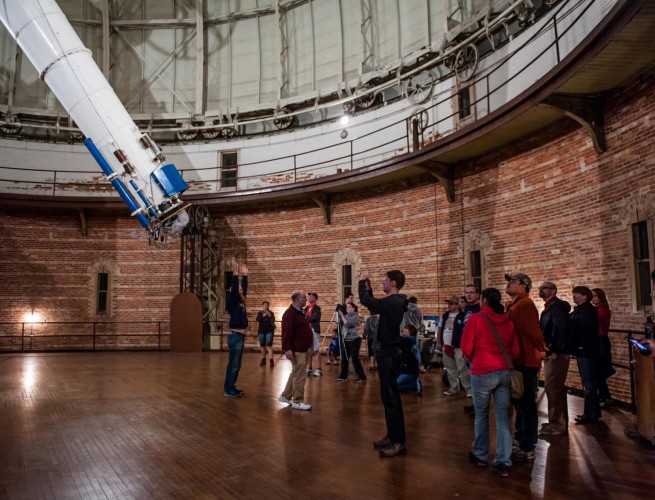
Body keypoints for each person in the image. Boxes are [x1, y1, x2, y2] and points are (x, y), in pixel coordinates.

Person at [461, 288, 520, 478]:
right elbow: (516, 350)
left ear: (483, 300)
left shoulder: (476, 319)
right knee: (503, 417)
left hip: (482, 371)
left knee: (481, 415)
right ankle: (503, 460)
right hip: (503, 372)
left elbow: (466, 346)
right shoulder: (508, 320)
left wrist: (475, 360)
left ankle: (480, 454)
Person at [359, 269, 408, 458]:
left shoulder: (395, 301)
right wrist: (369, 287)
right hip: (386, 352)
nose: (383, 282)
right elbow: (374, 307)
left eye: (386, 280)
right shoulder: (393, 302)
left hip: (389, 353)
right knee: (388, 398)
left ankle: (398, 442)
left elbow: (367, 302)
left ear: (393, 283)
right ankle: (392, 436)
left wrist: (363, 282)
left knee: (392, 399)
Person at [505, 273, 547, 462]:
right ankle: (521, 437)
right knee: (520, 402)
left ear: (524, 286)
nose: (509, 284)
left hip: (526, 360)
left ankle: (527, 444)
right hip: (519, 359)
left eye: (513, 282)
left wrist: (541, 348)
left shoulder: (525, 305)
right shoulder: (515, 305)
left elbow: (533, 332)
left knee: (527, 403)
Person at [538, 281, 572, 437]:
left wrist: (555, 350)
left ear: (553, 291)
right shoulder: (550, 307)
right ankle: (555, 421)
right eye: (540, 288)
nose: (540, 290)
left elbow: (560, 329)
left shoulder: (556, 308)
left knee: (554, 387)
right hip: (553, 352)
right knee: (552, 387)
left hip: (556, 354)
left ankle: (558, 424)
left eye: (544, 288)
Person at [278, 291, 313, 411]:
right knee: (300, 375)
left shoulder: (299, 312)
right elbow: (286, 333)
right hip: (297, 349)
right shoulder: (290, 314)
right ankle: (298, 401)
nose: (306, 299)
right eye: (304, 297)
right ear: (297, 299)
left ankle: (285, 396)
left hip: (301, 348)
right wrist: (287, 349)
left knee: (296, 373)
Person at [570, 286, 601, 425]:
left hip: (586, 350)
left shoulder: (588, 310)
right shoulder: (582, 310)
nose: (574, 296)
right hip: (583, 349)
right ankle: (591, 413)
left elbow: (583, 328)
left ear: (585, 296)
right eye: (574, 294)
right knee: (587, 382)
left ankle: (591, 414)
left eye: (577, 294)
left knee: (588, 382)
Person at [224, 259, 249, 398]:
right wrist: (234, 275)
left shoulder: (240, 301)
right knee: (233, 365)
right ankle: (228, 389)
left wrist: (244, 276)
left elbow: (243, 290)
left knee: (236, 365)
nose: (241, 288)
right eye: (238, 287)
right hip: (235, 337)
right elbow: (235, 291)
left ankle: (231, 387)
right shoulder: (233, 301)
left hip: (240, 337)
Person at [436, 295, 470, 397]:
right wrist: (439, 342)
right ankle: (454, 388)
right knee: (450, 369)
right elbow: (440, 328)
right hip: (446, 346)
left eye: (451, 304)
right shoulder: (445, 316)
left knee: (462, 369)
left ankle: (468, 389)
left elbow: (466, 331)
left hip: (458, 347)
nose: (449, 306)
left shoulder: (462, 316)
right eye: (448, 303)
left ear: (457, 305)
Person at [592, 288, 615, 408]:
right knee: (597, 371)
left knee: (599, 370)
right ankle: (604, 397)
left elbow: (600, 325)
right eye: (592, 296)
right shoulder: (596, 309)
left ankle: (605, 397)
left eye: (596, 296)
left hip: (601, 340)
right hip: (597, 340)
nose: (593, 298)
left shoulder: (602, 309)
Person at [337, 303, 366, 382]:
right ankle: (343, 375)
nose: (347, 308)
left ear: (354, 308)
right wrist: (337, 314)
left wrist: (342, 316)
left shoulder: (356, 316)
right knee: (344, 358)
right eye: (347, 307)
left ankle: (361, 376)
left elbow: (348, 324)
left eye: (349, 307)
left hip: (354, 340)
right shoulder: (346, 316)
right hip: (345, 340)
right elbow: (339, 323)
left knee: (354, 358)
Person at [397, 324, 422, 394]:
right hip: (405, 371)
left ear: (410, 331)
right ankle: (414, 384)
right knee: (395, 388)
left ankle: (414, 385)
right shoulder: (407, 341)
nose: (403, 330)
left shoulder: (409, 341)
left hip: (409, 371)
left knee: (393, 386)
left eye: (405, 329)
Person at [305, 292, 323, 377]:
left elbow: (315, 317)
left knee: (316, 350)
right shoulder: (306, 308)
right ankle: (309, 368)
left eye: (311, 296)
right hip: (307, 331)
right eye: (309, 296)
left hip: (314, 330)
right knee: (309, 350)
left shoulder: (317, 308)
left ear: (315, 299)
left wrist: (306, 318)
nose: (309, 297)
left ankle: (319, 369)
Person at [255, 301, 276, 367]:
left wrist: (269, 315)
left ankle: (271, 360)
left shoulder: (271, 313)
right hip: (261, 331)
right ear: (262, 306)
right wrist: (263, 316)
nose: (266, 306)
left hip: (269, 331)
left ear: (268, 306)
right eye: (264, 305)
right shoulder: (260, 313)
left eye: (267, 305)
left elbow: (273, 320)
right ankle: (263, 359)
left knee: (269, 345)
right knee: (262, 345)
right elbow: (257, 319)